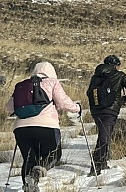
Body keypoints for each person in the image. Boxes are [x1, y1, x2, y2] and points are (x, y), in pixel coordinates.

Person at [5, 62, 81, 192]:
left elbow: (9, 107)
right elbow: (63, 102)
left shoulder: (21, 85)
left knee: (29, 158)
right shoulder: (52, 82)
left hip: (21, 128)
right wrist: (77, 108)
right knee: (55, 154)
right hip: (46, 126)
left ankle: (29, 187)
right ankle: (36, 174)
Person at [86, 55, 126, 176]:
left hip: (96, 110)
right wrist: (124, 100)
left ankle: (102, 162)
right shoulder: (119, 75)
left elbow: (89, 92)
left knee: (104, 134)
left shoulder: (96, 77)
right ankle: (96, 165)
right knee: (104, 137)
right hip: (110, 110)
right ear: (115, 65)